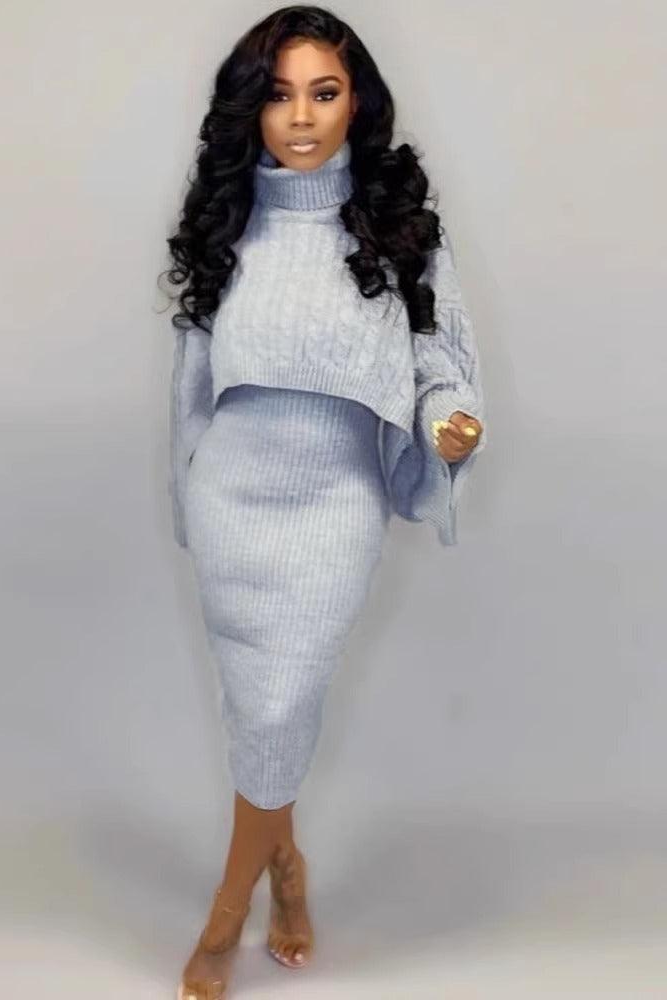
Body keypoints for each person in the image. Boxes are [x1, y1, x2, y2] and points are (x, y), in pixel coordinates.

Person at [160, 6, 488, 998]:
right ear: (250, 109)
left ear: (358, 103)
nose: (301, 117)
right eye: (278, 94)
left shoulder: (396, 229)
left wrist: (451, 421)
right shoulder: (227, 228)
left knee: (281, 698)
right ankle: (289, 872)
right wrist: (186, 489)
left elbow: (440, 361)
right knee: (261, 707)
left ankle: (228, 911)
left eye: (325, 92)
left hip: (335, 503)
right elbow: (191, 388)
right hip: (234, 498)